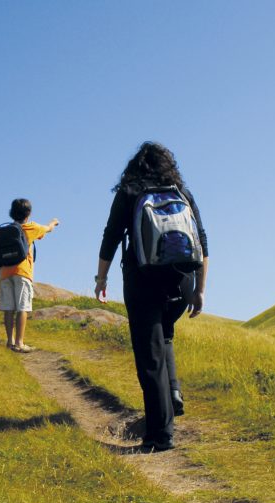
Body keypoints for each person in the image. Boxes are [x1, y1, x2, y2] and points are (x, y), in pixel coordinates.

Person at [94, 142, 208, 452]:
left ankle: (160, 435)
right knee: (165, 337)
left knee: (150, 353)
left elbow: (112, 236)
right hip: (182, 279)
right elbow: (203, 242)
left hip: (142, 276)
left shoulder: (130, 191)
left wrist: (101, 277)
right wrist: (199, 290)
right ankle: (171, 394)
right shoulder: (180, 192)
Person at [0, 199, 59, 353]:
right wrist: (53, 222)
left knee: (8, 308)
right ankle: (19, 343)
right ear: (29, 213)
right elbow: (48, 229)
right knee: (22, 308)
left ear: (12, 212)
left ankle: (9, 341)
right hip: (22, 271)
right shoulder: (31, 227)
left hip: (5, 272)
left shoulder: (6, 229)